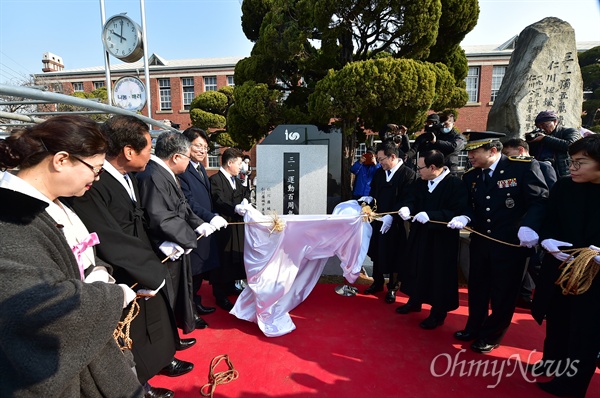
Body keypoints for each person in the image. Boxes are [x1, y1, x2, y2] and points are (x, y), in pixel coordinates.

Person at [0, 115, 144, 397]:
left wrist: (98, 271)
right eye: (96, 168)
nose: (96, 177)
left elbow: (80, 255)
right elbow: (37, 305)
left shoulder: (54, 205)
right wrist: (114, 297)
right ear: (62, 160)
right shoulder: (11, 217)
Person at [67, 116, 195, 397]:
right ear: (128, 151)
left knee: (156, 319)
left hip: (142, 259)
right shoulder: (94, 185)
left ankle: (160, 361)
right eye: (148, 149)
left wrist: (162, 246)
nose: (151, 155)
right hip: (122, 269)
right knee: (129, 332)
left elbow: (143, 218)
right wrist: (149, 268)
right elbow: (108, 234)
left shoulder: (129, 177)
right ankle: (141, 383)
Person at [448, 131, 548, 354]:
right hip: (482, 241)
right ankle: (474, 326)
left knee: (504, 292)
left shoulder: (521, 168)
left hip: (512, 243)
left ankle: (491, 335)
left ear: (492, 150)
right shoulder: (471, 176)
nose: (470, 156)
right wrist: (465, 216)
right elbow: (468, 205)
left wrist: (530, 226)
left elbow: (539, 200)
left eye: (474, 152)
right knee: (478, 287)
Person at [530, 135, 600, 397]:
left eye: (580, 162)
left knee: (585, 329)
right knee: (558, 319)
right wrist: (547, 240)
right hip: (561, 267)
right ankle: (554, 362)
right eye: (571, 161)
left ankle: (571, 384)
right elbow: (549, 219)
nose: (572, 168)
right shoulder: (564, 186)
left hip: (593, 276)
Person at [136, 131, 218, 333]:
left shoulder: (165, 173)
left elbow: (182, 206)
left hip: (174, 242)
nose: (189, 163)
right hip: (164, 246)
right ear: (176, 157)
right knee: (166, 299)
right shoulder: (153, 175)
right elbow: (159, 216)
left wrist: (199, 223)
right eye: (188, 158)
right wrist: (188, 238)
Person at [396, 150, 468, 329]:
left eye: (420, 167)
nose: (418, 171)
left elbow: (457, 211)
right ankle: (415, 300)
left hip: (441, 239)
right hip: (420, 234)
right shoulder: (421, 182)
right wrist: (406, 208)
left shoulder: (454, 185)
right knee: (417, 267)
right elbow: (411, 199)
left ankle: (438, 312)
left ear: (433, 167)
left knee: (438, 273)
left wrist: (432, 215)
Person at [502, 137, 558, 309]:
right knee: (522, 265)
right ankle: (524, 295)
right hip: (516, 228)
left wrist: (536, 225)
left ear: (520, 150)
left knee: (535, 264)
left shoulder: (542, 167)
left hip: (535, 227)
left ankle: (550, 299)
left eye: (507, 153)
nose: (505, 157)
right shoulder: (510, 169)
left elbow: (548, 197)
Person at [359, 139, 416, 303]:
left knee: (395, 253)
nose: (379, 162)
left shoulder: (408, 174)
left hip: (397, 222)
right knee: (377, 251)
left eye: (382, 159)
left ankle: (393, 287)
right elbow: (374, 192)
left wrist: (393, 215)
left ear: (392, 157)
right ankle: (377, 283)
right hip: (378, 220)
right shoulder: (379, 173)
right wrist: (369, 199)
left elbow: (408, 199)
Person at [179, 127, 227, 313]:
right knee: (192, 271)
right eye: (198, 146)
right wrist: (211, 217)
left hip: (205, 227)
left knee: (199, 271)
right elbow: (188, 201)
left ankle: (195, 303)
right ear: (186, 146)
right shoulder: (182, 169)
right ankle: (188, 310)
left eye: (205, 147)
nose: (202, 151)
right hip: (193, 227)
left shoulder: (200, 169)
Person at [210, 148, 251, 311]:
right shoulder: (216, 180)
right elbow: (219, 200)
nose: (241, 167)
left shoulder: (236, 180)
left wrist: (246, 198)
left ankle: (230, 286)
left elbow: (243, 194)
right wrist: (235, 208)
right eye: (239, 163)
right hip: (223, 224)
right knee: (222, 258)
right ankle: (219, 295)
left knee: (234, 255)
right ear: (230, 163)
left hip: (236, 226)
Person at [526, 110, 580, 178]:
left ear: (555, 122)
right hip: (541, 171)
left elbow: (570, 145)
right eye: (539, 126)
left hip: (562, 172)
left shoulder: (569, 131)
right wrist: (529, 142)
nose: (542, 128)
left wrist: (545, 138)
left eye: (544, 125)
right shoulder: (538, 135)